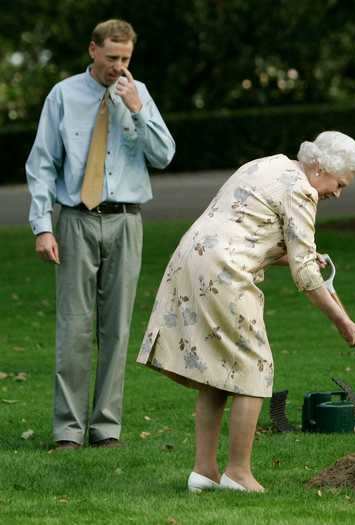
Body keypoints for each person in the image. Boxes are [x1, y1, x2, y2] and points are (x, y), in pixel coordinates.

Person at [137, 131, 355, 492]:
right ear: (319, 168)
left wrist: (297, 256)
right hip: (223, 272)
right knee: (256, 367)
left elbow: (247, 230)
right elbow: (305, 274)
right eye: (340, 184)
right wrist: (342, 320)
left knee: (218, 369)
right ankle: (238, 474)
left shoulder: (268, 164)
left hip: (190, 258)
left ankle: (204, 472)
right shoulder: (301, 191)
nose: (337, 193)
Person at [26, 19, 176, 450]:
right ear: (92, 50)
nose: (118, 67)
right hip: (75, 219)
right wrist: (42, 226)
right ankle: (67, 431)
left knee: (117, 330)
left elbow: (164, 155)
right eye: (111, 58)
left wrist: (137, 109)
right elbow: (41, 166)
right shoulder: (63, 96)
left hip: (126, 220)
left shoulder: (138, 93)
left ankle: (106, 428)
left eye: (126, 58)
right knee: (73, 328)